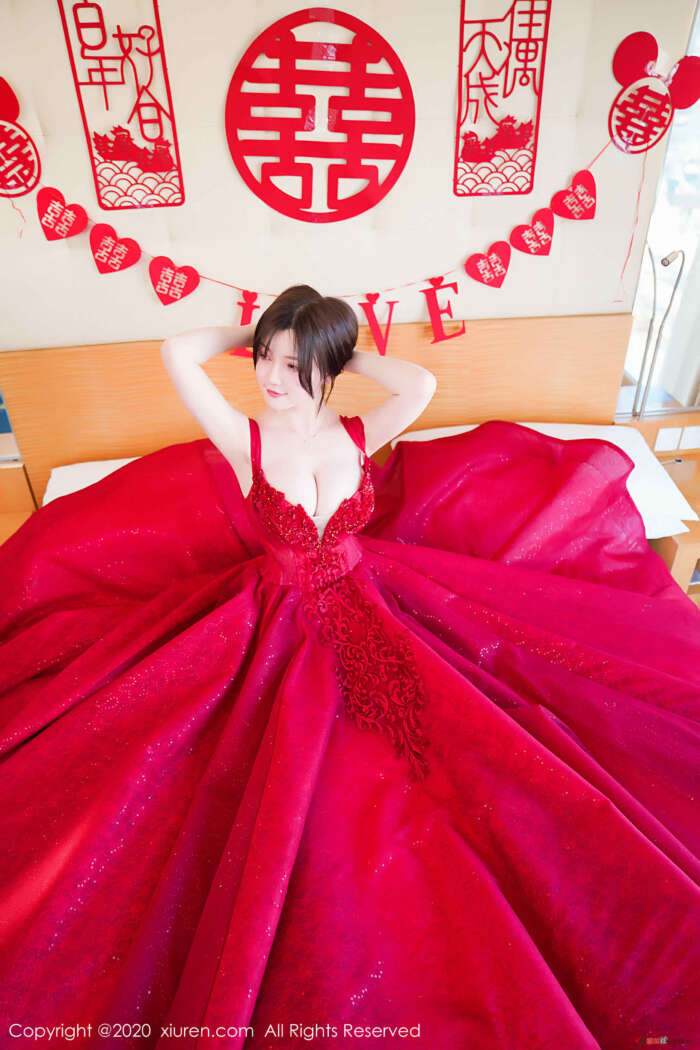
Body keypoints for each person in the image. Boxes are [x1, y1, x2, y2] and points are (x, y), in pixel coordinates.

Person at [0, 284, 699, 1050]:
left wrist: (337, 351)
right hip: (276, 615)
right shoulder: (245, 436)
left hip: (375, 593)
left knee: (475, 729)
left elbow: (421, 383)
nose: (272, 377)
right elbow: (176, 352)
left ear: (328, 367)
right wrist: (264, 334)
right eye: (266, 360)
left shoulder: (360, 431)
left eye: (292, 365)